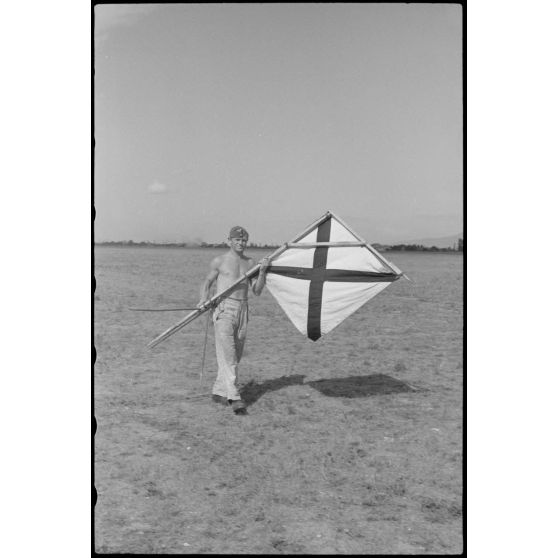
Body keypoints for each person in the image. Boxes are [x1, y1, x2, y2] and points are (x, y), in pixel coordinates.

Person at [197, 226, 270, 415]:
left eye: (244, 240)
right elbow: (207, 282)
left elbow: (257, 290)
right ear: (229, 240)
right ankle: (235, 397)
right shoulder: (219, 261)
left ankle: (219, 391)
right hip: (224, 309)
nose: (240, 243)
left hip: (243, 310)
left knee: (234, 355)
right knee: (229, 356)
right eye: (237, 240)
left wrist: (262, 272)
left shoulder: (251, 263)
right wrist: (203, 299)